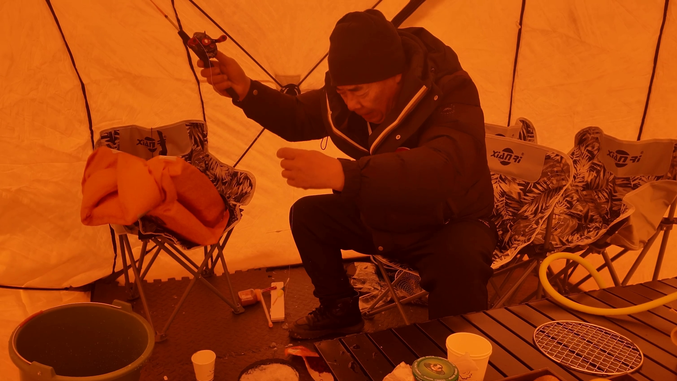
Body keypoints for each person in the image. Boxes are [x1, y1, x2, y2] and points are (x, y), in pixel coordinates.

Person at [197, 10, 497, 339]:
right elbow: (297, 116)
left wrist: (345, 174)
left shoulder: (450, 91)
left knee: (461, 264)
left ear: (396, 75)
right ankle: (339, 309)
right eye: (343, 93)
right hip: (393, 215)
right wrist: (245, 89)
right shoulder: (346, 100)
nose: (352, 104)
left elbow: (444, 166)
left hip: (451, 221)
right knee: (309, 216)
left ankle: (455, 357)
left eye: (359, 91)